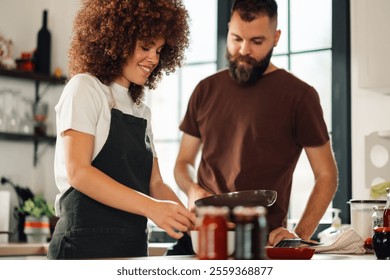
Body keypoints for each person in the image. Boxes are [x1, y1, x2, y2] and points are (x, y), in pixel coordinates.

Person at [173, 0, 338, 250]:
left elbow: (327, 175)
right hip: (200, 237)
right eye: (236, 38)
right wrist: (193, 190)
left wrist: (297, 235)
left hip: (260, 244)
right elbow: (183, 163)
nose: (243, 50)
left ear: (276, 37)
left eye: (256, 41)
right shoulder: (205, 89)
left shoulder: (300, 96)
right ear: (228, 29)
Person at [48, 0, 195, 259]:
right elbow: (78, 172)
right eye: (146, 47)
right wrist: (153, 208)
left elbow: (156, 183)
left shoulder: (142, 111)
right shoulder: (85, 88)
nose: (153, 59)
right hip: (81, 250)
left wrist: (192, 223)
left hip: (132, 252)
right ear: (116, 41)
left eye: (160, 50)